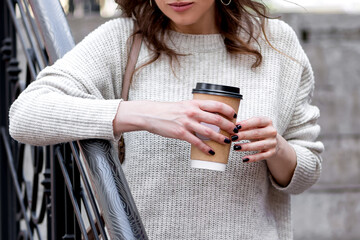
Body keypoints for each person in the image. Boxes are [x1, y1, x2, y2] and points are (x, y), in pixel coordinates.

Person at [9, 0, 324, 239]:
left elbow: (307, 169)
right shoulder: (125, 39)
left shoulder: (276, 43)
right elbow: (26, 114)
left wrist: (277, 149)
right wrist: (148, 115)